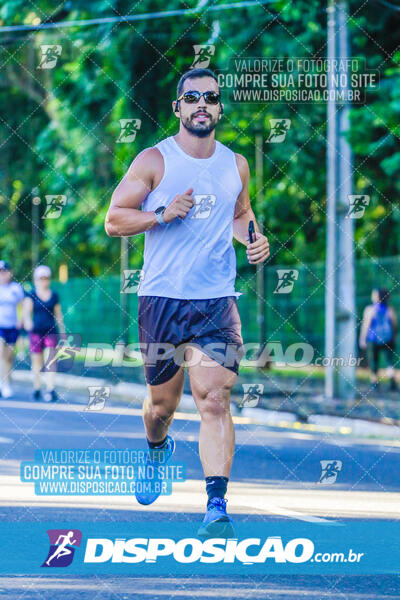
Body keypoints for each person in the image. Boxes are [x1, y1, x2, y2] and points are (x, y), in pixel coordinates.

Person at [105, 67, 270, 536]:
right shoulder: (154, 160)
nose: (202, 104)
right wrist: (161, 213)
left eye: (211, 97)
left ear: (220, 107)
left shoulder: (235, 164)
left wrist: (253, 241)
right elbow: (114, 221)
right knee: (162, 408)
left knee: (214, 398)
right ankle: (157, 449)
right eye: (192, 97)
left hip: (215, 300)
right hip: (162, 299)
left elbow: (241, 215)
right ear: (178, 107)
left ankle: (216, 505)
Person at [23, 265, 65, 402]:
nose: (43, 281)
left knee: (51, 359)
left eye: (46, 278)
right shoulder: (32, 295)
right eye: (41, 278)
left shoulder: (54, 295)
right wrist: (28, 323)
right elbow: (26, 313)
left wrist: (63, 331)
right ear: (36, 280)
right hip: (36, 332)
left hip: (51, 331)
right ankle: (36, 387)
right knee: (37, 361)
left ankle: (50, 388)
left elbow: (58, 314)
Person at [359, 288, 398, 391]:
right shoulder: (390, 310)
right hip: (388, 338)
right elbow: (394, 325)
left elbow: (366, 325)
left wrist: (362, 338)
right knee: (389, 361)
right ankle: (392, 381)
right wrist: (393, 337)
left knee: (373, 361)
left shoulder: (370, 309)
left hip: (373, 339)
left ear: (377, 296)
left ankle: (374, 382)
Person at [0, 260, 24, 397]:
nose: (2, 275)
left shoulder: (16, 288)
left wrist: (21, 319)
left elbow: (23, 305)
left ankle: (5, 381)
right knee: (1, 354)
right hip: (0, 326)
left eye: (4, 271)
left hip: (13, 327)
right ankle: (4, 384)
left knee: (8, 357)